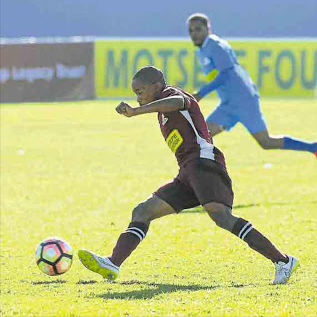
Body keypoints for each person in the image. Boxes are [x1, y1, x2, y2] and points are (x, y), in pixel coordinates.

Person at [78, 66, 299, 284]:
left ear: (156, 86)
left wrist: (136, 112)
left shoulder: (172, 95)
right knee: (143, 211)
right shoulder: (162, 109)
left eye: (140, 92)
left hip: (203, 163)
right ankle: (113, 263)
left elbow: (180, 102)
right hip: (188, 171)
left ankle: (283, 261)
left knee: (222, 217)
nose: (137, 98)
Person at [187, 13, 317, 169]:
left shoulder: (214, 45)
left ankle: (315, 148)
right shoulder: (203, 49)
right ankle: (210, 172)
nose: (194, 34)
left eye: (198, 29)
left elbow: (227, 73)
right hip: (229, 102)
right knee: (203, 134)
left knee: (266, 142)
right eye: (191, 30)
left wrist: (201, 93)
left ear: (208, 29)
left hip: (243, 100)